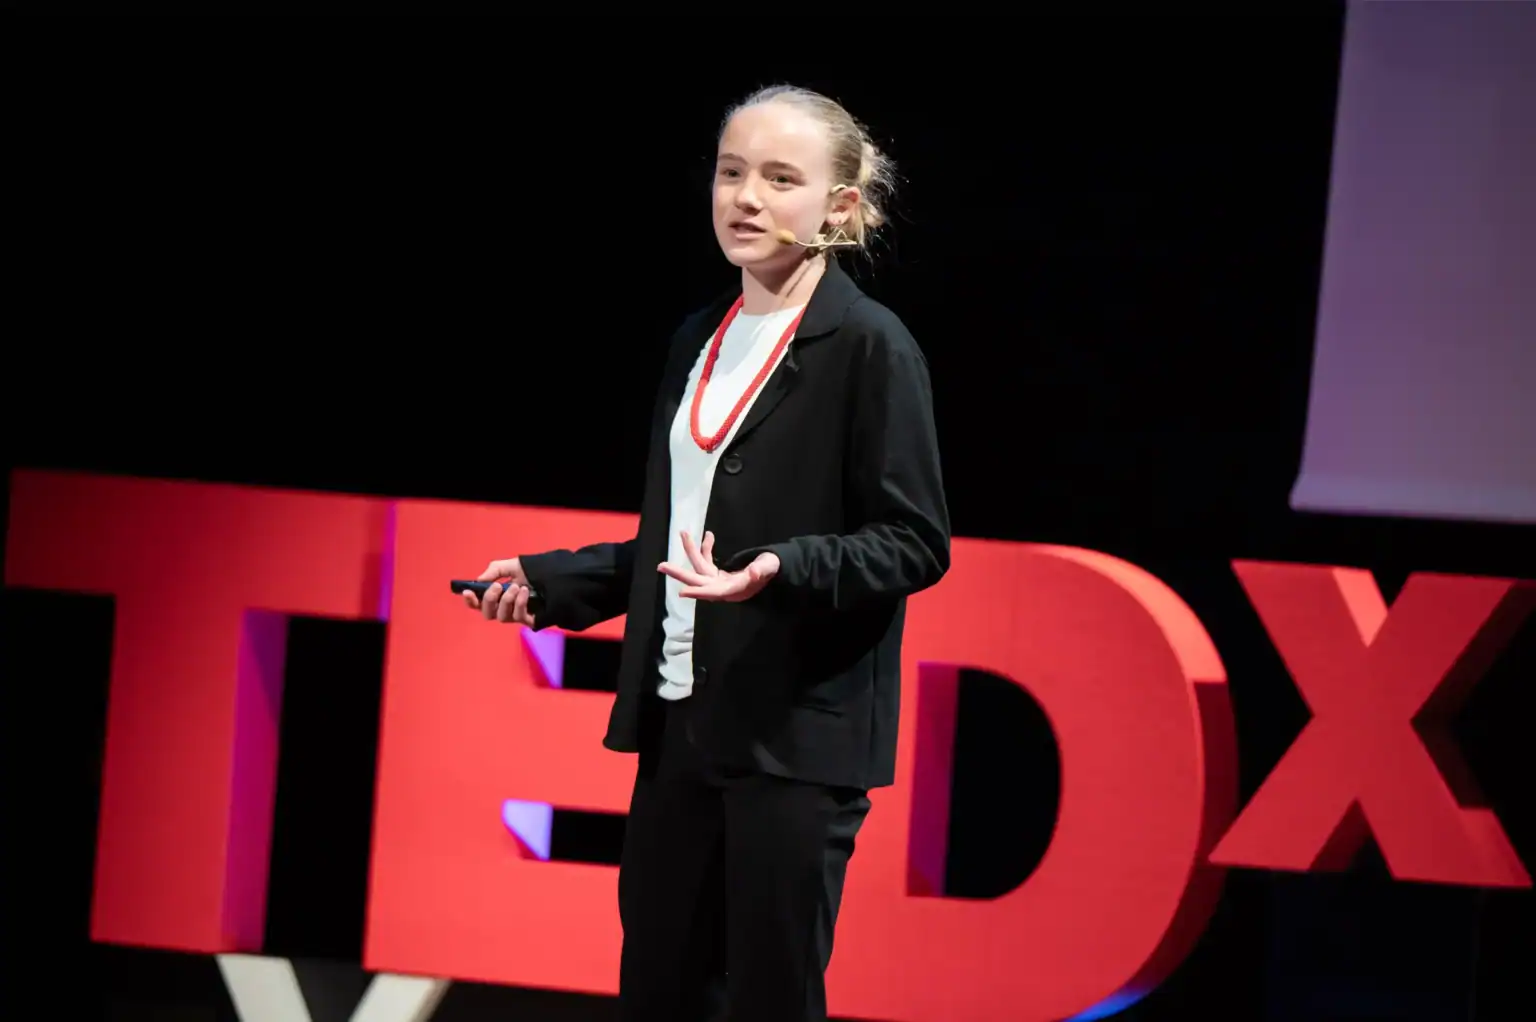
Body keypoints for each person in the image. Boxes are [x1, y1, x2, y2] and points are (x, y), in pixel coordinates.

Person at [461, 83, 950, 1022]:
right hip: (682, 723)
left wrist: (781, 568)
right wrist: (557, 581)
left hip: (792, 735)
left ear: (840, 205)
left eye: (780, 179)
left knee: (770, 1000)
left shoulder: (870, 347)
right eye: (732, 173)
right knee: (659, 992)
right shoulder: (699, 337)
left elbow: (914, 542)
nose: (746, 198)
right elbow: (678, 542)